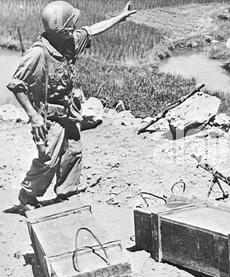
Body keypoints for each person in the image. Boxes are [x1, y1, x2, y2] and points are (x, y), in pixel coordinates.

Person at [7, 1, 136, 211]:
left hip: (68, 109)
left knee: (74, 150)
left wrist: (120, 17)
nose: (74, 29)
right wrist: (33, 116)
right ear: (63, 30)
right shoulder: (38, 53)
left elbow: (92, 30)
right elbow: (16, 85)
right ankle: (27, 197)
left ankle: (67, 192)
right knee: (48, 158)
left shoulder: (67, 42)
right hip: (48, 115)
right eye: (71, 26)